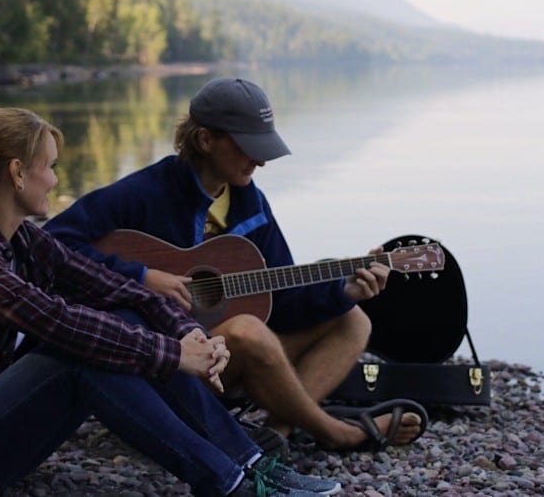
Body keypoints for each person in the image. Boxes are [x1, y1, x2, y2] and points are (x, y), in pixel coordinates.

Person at [0, 107, 341, 497]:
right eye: (49, 166)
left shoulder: (20, 238)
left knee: (118, 316)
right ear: (18, 173)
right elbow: (59, 322)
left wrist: (187, 332)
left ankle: (251, 463)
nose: (55, 179)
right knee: (80, 351)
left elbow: (110, 286)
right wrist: (176, 356)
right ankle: (229, 483)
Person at [44, 78, 426, 452]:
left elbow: (283, 300)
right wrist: (143, 276)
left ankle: (279, 429)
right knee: (246, 330)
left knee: (354, 319)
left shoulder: (251, 205)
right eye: (248, 147)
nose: (260, 160)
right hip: (162, 366)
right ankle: (337, 433)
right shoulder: (145, 193)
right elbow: (51, 243)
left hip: (225, 366)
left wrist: (343, 291)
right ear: (205, 140)